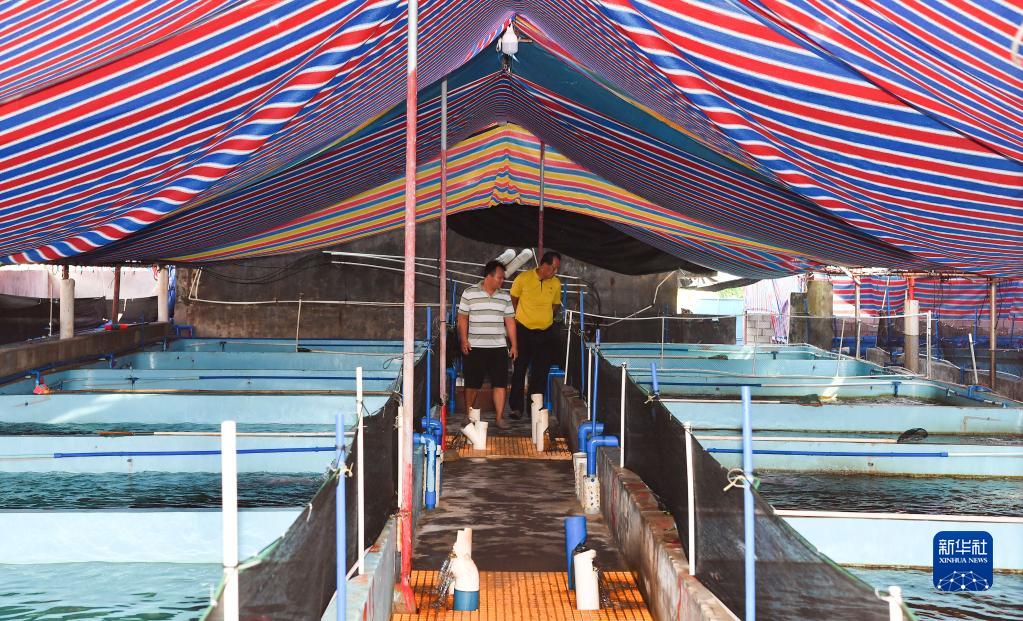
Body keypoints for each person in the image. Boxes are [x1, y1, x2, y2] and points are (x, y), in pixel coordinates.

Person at [457, 260, 518, 429]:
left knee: (500, 383)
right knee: (472, 384)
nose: (502, 281)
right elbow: (462, 318)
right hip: (475, 346)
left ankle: (499, 418)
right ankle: (468, 415)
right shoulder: (469, 293)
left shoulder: (505, 296)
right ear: (489, 276)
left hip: (498, 348)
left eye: (503, 278)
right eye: (499, 277)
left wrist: (514, 345)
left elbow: (510, 322)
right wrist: (464, 340)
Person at [508, 251, 562, 418]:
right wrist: (519, 317)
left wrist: (544, 318)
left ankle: (534, 407)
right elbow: (513, 298)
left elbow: (555, 305)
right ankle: (516, 408)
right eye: (553, 268)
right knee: (520, 368)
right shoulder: (523, 278)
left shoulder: (556, 283)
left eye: (557, 269)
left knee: (540, 371)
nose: (555, 272)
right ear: (543, 265)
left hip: (545, 333)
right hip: (523, 331)